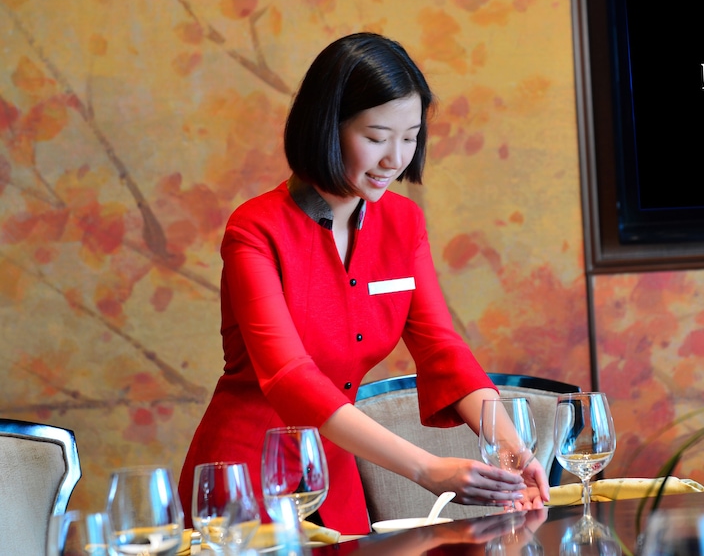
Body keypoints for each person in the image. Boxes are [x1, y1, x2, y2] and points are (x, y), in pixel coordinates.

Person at [178, 32, 549, 535]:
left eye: (410, 137)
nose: (395, 158)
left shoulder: (403, 223)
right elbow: (288, 375)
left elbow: (442, 349)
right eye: (376, 138)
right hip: (245, 476)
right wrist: (427, 469)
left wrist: (512, 451)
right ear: (326, 127)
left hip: (335, 474)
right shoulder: (255, 230)